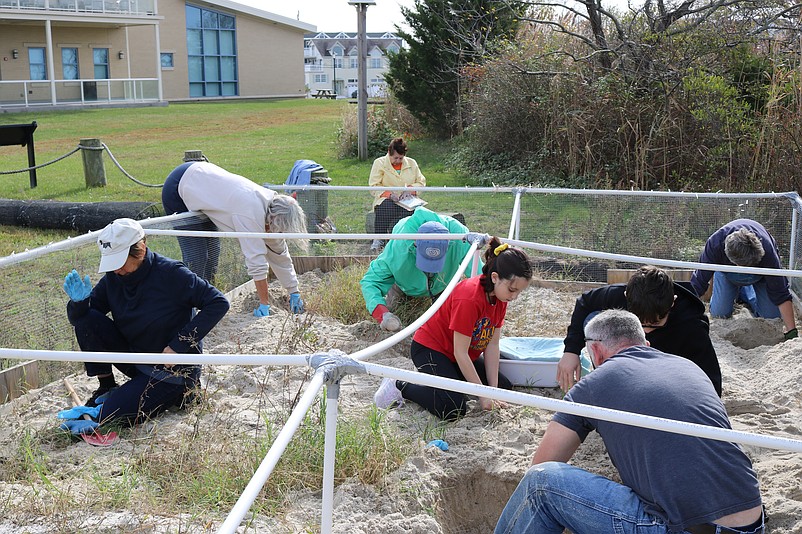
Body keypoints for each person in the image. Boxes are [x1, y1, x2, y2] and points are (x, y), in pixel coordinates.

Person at [495, 309, 764, 534]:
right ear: (646, 344)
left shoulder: (593, 384)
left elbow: (542, 464)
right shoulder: (687, 366)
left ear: (596, 353)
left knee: (541, 483)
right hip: (752, 521)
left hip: (686, 528)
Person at [62, 218, 230, 427]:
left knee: (106, 417)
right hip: (136, 358)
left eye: (120, 262)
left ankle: (185, 393)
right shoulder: (114, 278)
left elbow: (218, 302)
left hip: (171, 369)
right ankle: (107, 387)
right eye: (111, 263)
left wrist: (179, 345)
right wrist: (78, 304)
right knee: (87, 318)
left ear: (140, 249)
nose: (116, 270)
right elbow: (82, 321)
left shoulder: (171, 274)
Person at [373, 238, 533, 420]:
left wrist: (493, 391)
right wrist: (483, 395)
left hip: (458, 356)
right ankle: (400, 385)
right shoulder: (470, 298)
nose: (515, 296)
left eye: (519, 291)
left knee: (504, 389)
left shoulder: (501, 297)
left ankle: (447, 382)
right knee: (453, 409)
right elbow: (460, 353)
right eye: (513, 290)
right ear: (495, 277)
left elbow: (492, 345)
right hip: (431, 350)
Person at [162, 160, 307, 317]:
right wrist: (264, 304)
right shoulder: (249, 211)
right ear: (274, 220)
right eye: (279, 230)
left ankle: (204, 301)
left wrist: (294, 292)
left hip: (205, 186)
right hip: (180, 186)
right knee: (197, 256)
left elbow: (279, 254)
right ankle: (185, 309)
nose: (279, 234)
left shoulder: (271, 213)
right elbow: (256, 259)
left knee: (212, 253)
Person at [557, 265, 722, 395]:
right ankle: (606, 378)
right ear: (626, 296)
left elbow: (711, 382)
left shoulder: (692, 325)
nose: (647, 332)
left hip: (666, 378)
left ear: (673, 302)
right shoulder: (620, 296)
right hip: (626, 366)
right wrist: (571, 351)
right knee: (592, 319)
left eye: (656, 324)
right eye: (640, 324)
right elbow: (584, 303)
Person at [360, 207, 482, 332]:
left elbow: (479, 276)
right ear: (415, 245)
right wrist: (382, 314)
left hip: (444, 284)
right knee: (393, 318)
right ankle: (399, 298)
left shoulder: (459, 237)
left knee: (449, 323)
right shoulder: (398, 249)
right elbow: (370, 282)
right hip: (405, 284)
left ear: (448, 245)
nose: (431, 271)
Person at [690, 218, 798, 341]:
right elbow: (697, 284)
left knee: (772, 316)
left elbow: (781, 292)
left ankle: (746, 293)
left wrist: (792, 332)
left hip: (760, 277)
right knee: (720, 313)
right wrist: (683, 316)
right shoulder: (715, 244)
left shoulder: (767, 251)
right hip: (728, 274)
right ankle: (737, 290)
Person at [368, 137, 426, 252]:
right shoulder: (379, 163)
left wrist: (410, 190)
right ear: (389, 153)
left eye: (401, 158)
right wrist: (389, 194)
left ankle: (409, 241)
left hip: (408, 200)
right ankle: (379, 238)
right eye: (395, 158)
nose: (398, 161)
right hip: (387, 199)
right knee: (385, 208)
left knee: (414, 213)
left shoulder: (412, 163)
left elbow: (421, 182)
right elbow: (374, 186)